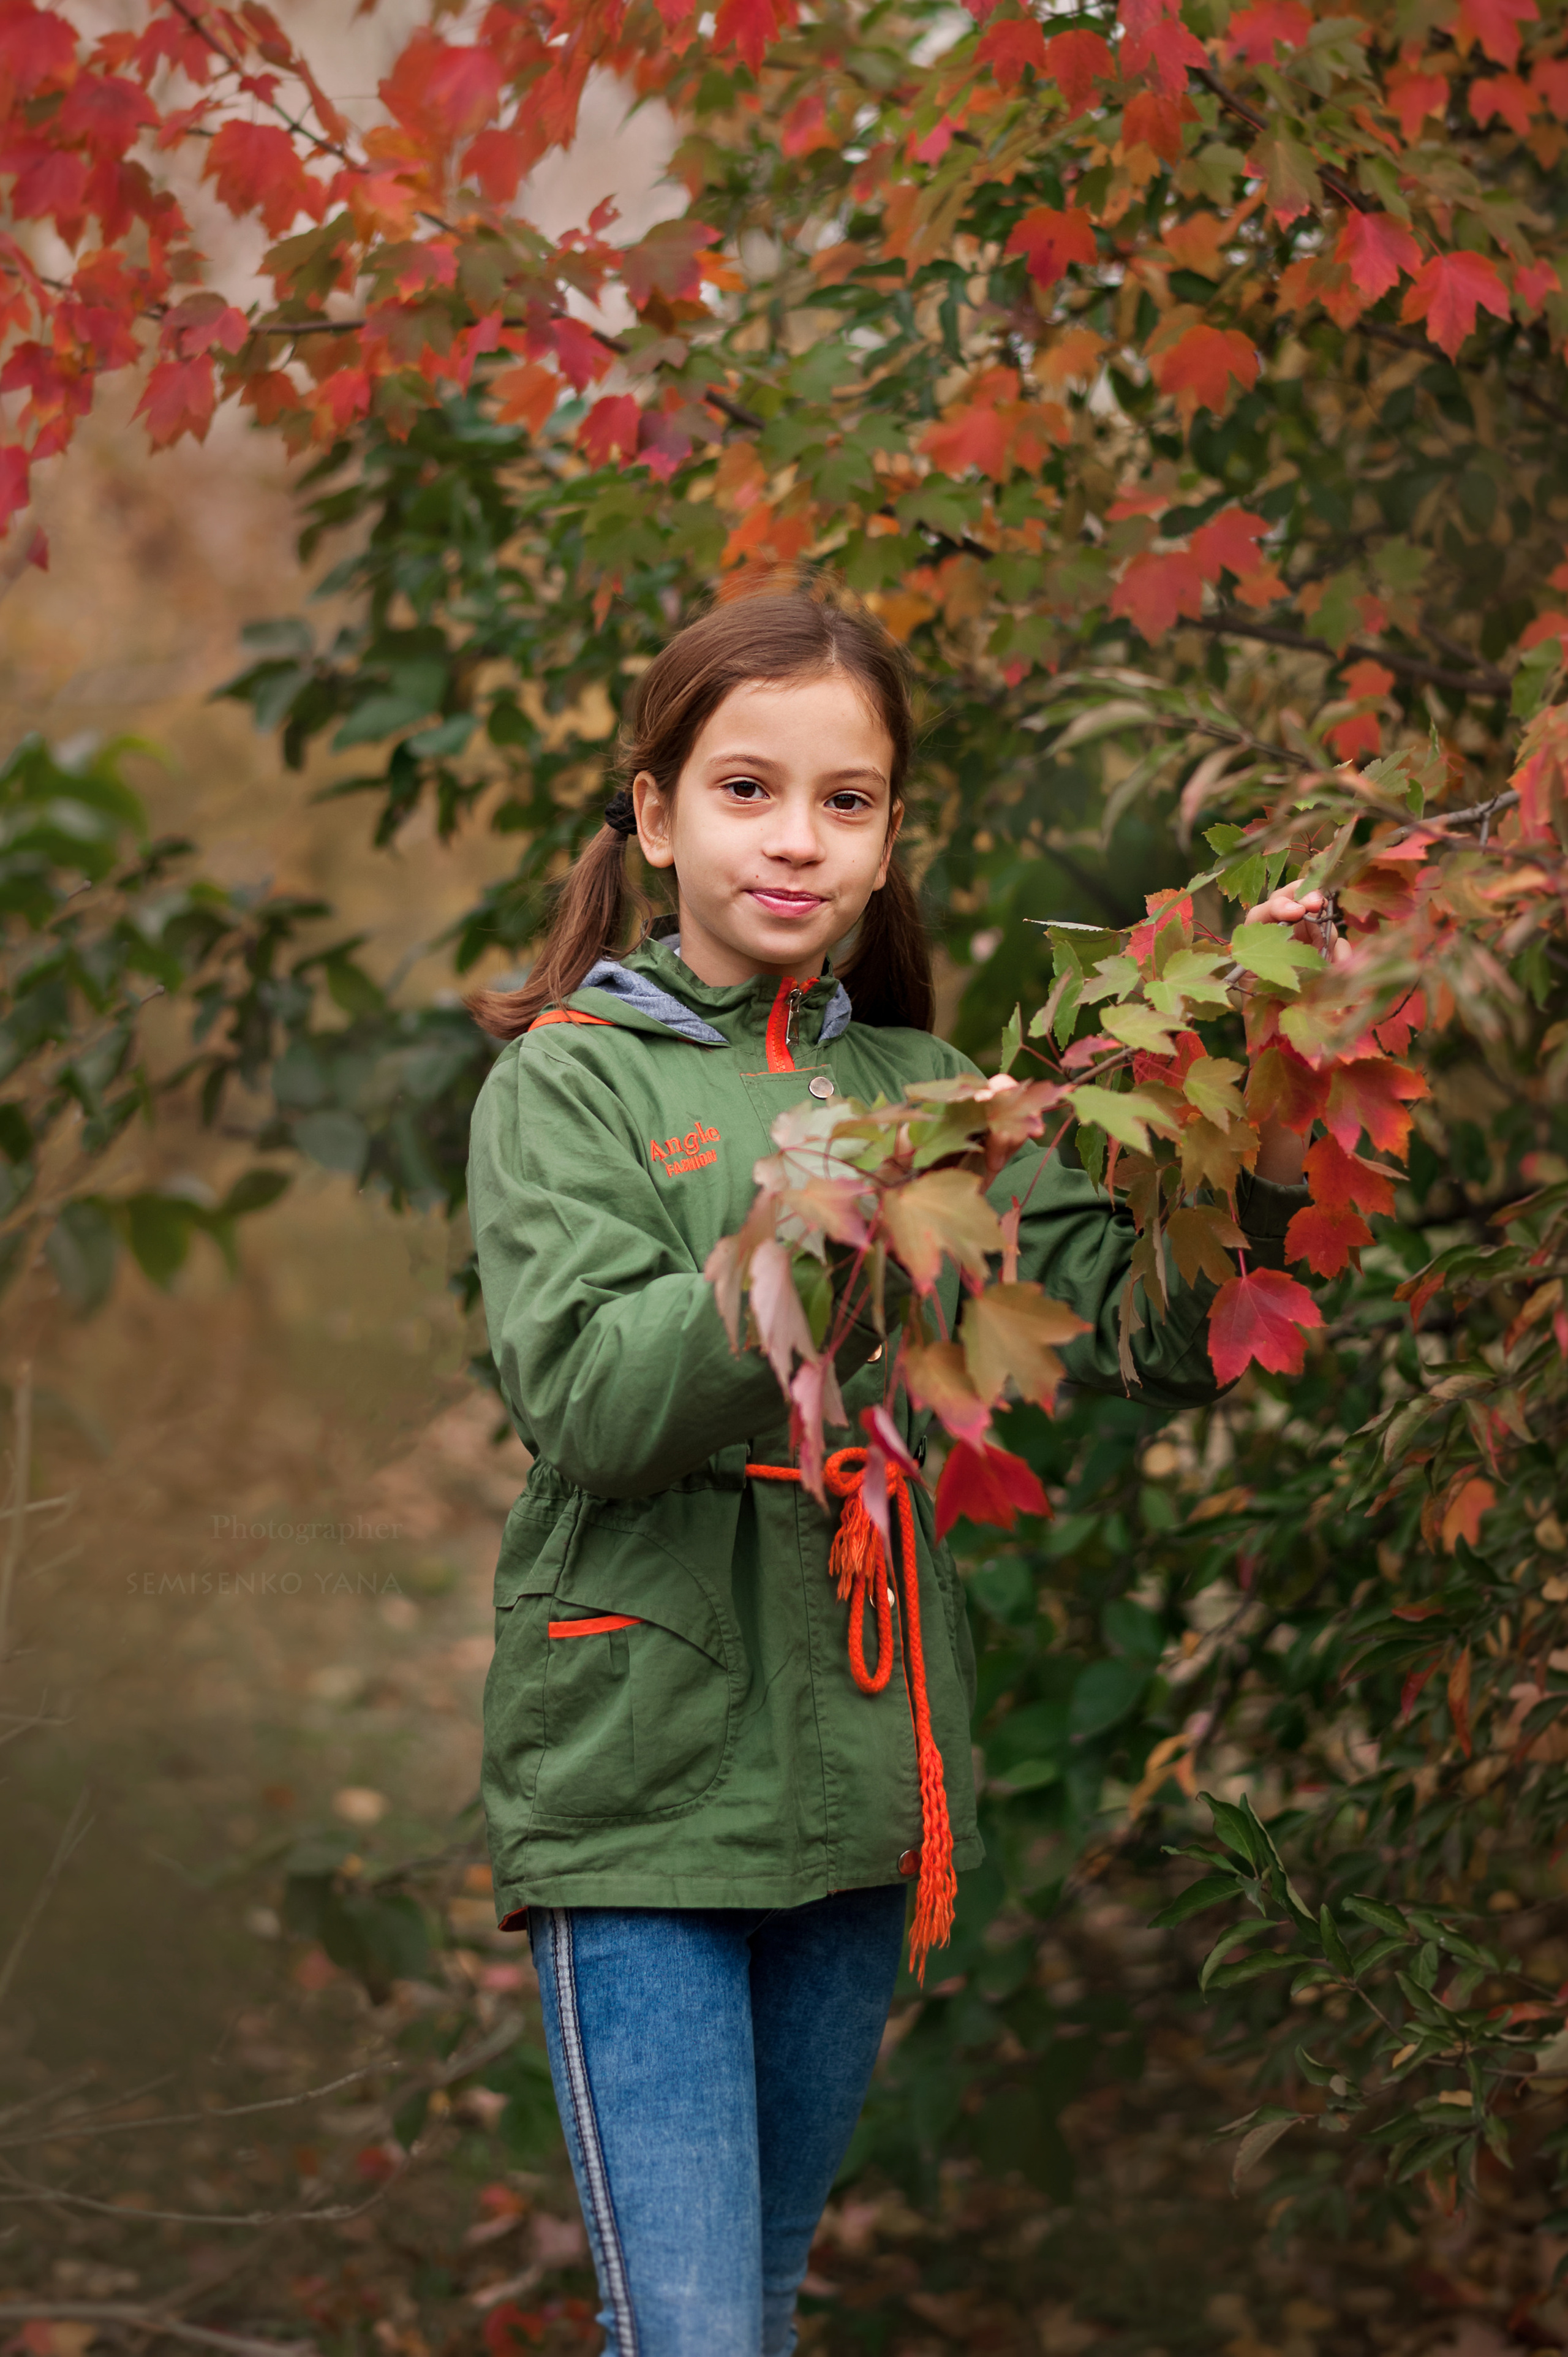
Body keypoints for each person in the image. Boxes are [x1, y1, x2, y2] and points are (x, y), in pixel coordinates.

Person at [462, 591, 1322, 2356]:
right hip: (640, 1780)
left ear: (889, 834)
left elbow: (1141, 1328)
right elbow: (600, 1401)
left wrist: (1267, 1096)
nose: (796, 838)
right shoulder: (571, 1087)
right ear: (652, 814)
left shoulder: (936, 1088)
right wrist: (817, 1235)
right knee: (691, 2336)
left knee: (753, 2318)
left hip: (859, 1776)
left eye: (845, 801)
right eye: (747, 788)